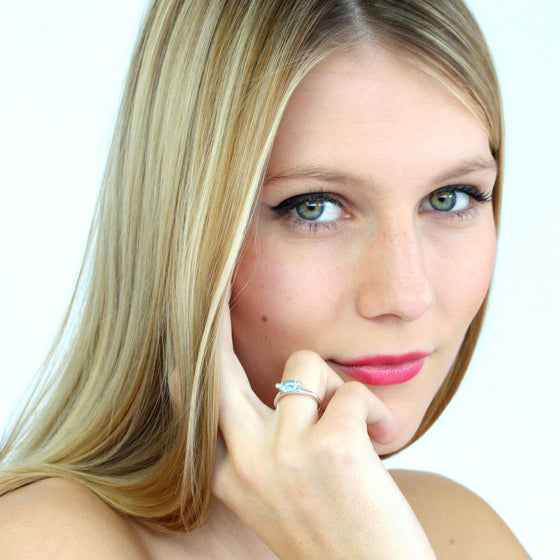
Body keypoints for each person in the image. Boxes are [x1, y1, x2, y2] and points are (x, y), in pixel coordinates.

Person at [0, 0, 531, 558]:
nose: (407, 295)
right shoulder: (35, 544)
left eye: (450, 199)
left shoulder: (455, 531)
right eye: (314, 207)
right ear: (184, 230)